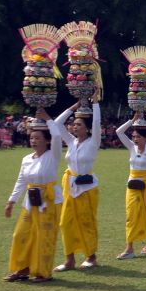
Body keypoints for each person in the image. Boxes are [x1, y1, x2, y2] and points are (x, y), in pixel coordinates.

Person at [4, 109, 62, 283]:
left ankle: (43, 272)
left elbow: (58, 137)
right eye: (31, 138)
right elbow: (21, 180)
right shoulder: (27, 158)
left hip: (49, 201)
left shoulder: (53, 156)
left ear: (47, 140)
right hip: (30, 201)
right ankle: (21, 269)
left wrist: (48, 119)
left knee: (43, 237)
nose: (34, 141)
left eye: (38, 138)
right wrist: (11, 201)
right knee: (21, 235)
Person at [55, 100, 102, 271]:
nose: (74, 127)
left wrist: (95, 104)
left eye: (79, 124)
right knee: (65, 222)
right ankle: (69, 260)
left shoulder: (93, 142)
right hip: (70, 186)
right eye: (74, 124)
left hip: (87, 188)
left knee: (86, 223)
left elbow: (97, 122)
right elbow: (57, 123)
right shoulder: (71, 141)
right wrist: (73, 107)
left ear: (87, 128)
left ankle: (91, 256)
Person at [116, 114, 146, 258]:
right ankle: (129, 248)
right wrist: (132, 121)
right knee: (131, 216)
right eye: (134, 136)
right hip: (132, 187)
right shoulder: (131, 147)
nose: (135, 139)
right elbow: (119, 132)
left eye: (138, 137)